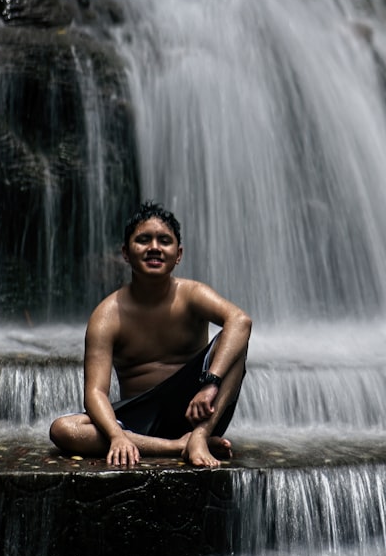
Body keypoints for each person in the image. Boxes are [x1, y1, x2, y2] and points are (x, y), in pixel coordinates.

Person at [49, 201, 251, 468]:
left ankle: (200, 437)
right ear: (126, 253)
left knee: (237, 341)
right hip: (137, 421)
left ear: (178, 254)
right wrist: (115, 435)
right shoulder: (108, 314)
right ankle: (178, 446)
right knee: (63, 429)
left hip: (198, 410)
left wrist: (210, 383)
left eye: (164, 241)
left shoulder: (192, 295)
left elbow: (240, 320)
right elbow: (96, 392)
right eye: (143, 240)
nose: (154, 247)